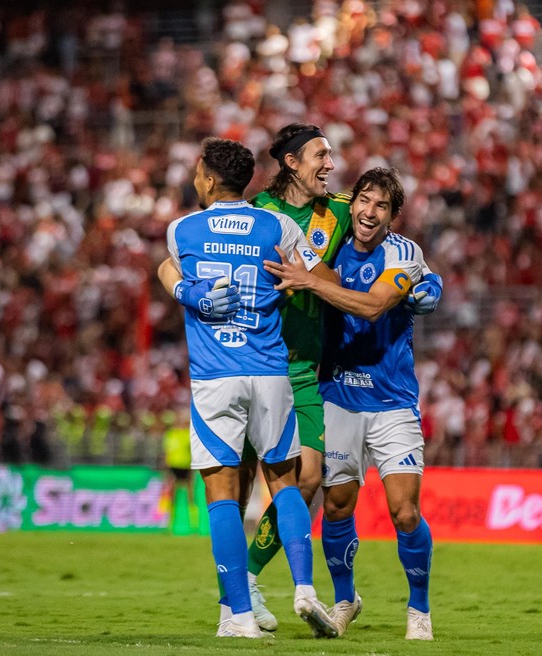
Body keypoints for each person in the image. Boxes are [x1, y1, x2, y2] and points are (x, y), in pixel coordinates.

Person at [160, 123, 442, 631]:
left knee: (301, 478)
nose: (331, 167)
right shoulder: (264, 215)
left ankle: (250, 589)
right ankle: (246, 593)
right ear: (291, 162)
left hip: (304, 369)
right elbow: (172, 262)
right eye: (320, 156)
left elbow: (383, 245)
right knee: (248, 483)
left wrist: (426, 276)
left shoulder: (339, 209)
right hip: (263, 360)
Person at [160, 136, 340, 639]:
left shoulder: (183, 230)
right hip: (270, 370)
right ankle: (304, 587)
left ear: (211, 179)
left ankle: (238, 616)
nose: (195, 179)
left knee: (222, 494)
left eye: (199, 172)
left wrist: (186, 290)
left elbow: (172, 272)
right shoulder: (276, 225)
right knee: (284, 483)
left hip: (216, 375)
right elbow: (308, 272)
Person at [264, 167, 436, 640]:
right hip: (338, 395)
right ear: (353, 203)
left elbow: (374, 305)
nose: (368, 211)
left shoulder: (402, 252)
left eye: (381, 205)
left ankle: (418, 608)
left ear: (392, 216)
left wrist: (311, 282)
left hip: (392, 402)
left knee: (404, 512)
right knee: (337, 505)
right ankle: (345, 601)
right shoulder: (332, 246)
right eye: (363, 200)